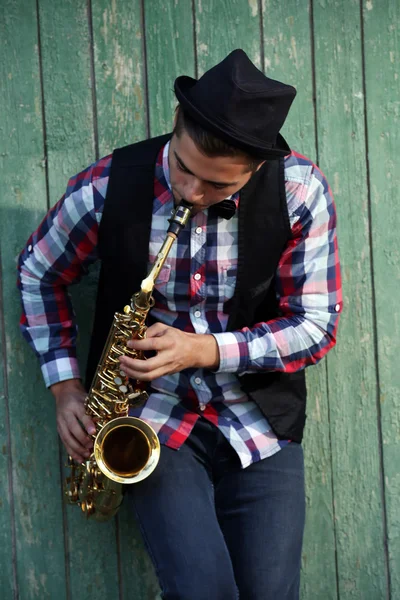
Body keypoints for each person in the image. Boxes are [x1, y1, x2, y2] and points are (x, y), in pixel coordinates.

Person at [18, 49, 342, 599]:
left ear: (257, 168)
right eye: (183, 168)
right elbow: (37, 274)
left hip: (260, 420)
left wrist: (204, 349)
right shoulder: (105, 186)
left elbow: (316, 325)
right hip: (152, 419)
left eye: (218, 187)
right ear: (176, 124)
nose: (192, 193)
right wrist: (66, 387)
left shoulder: (299, 191)